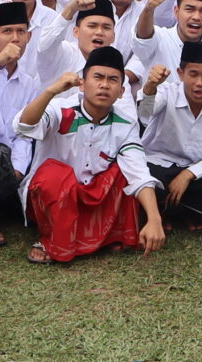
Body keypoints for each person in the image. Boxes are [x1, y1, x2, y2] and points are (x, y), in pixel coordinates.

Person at [14, 46, 164, 265]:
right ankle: (51, 239)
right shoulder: (60, 108)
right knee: (55, 175)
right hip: (51, 196)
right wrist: (50, 91)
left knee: (123, 172)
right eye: (98, 77)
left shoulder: (126, 123)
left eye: (113, 80)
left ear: (121, 91)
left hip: (91, 195)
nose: (104, 85)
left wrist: (154, 218)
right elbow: (24, 126)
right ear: (82, 84)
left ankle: (102, 236)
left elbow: (138, 171)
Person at [135, 40, 202, 231]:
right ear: (181, 73)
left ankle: (175, 211)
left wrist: (189, 174)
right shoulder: (166, 91)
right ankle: (182, 212)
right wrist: (150, 86)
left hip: (197, 171)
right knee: (144, 176)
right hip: (159, 166)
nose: (200, 83)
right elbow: (144, 115)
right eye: (193, 74)